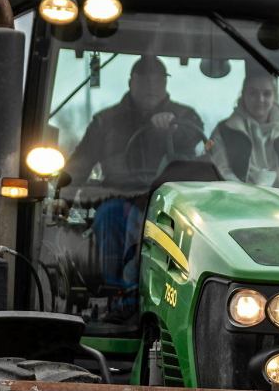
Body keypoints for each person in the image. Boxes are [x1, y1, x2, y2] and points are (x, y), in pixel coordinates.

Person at [64, 56, 203, 297]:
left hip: (171, 201)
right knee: (110, 215)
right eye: (144, 80)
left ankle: (182, 293)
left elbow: (198, 148)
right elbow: (79, 165)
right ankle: (116, 294)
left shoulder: (185, 118)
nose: (151, 86)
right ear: (131, 82)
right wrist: (61, 197)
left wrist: (175, 128)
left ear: (165, 83)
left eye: (157, 80)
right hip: (120, 196)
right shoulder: (105, 122)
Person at [208, 67, 279, 192]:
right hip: (237, 198)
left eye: (267, 94)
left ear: (274, 96)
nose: (260, 99)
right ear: (243, 95)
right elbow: (221, 171)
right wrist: (244, 193)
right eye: (253, 93)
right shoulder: (223, 131)